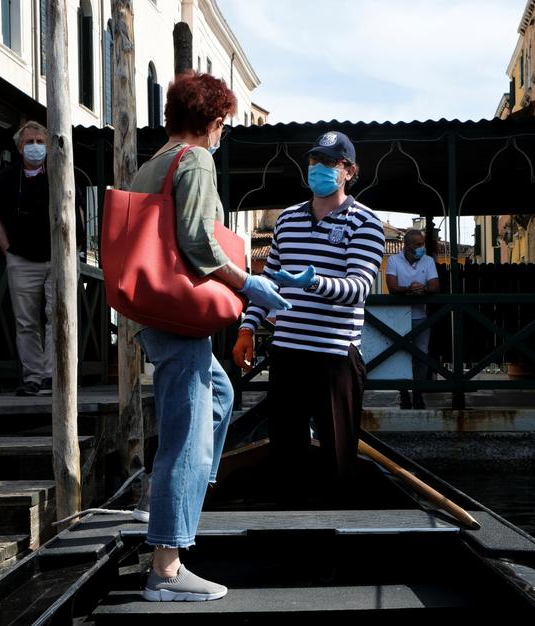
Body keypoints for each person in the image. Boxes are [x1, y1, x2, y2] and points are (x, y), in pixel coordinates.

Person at [129, 71, 289, 602]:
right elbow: (198, 241)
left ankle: (169, 502)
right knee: (188, 435)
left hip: (155, 314)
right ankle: (167, 568)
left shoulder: (150, 163)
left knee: (218, 397)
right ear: (216, 121)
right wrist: (251, 284)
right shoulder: (195, 159)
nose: (223, 134)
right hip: (181, 319)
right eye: (224, 124)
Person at [232, 130, 386, 507]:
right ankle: (291, 533)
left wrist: (312, 282)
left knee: (337, 459)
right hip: (287, 353)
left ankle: (339, 536)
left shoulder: (365, 222)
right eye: (315, 160)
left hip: (336, 356)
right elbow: (266, 284)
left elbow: (359, 287)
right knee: (286, 456)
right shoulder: (287, 221)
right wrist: (248, 327)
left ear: (348, 170)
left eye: (330, 162)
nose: (318, 168)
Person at [0, 121, 55, 397]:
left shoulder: (58, 173)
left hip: (57, 259)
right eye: (30, 142)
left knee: (58, 317)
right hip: (22, 260)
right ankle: (34, 377)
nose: (36, 147)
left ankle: (54, 376)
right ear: (19, 148)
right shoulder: (6, 177)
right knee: (26, 322)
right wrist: (8, 252)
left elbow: (75, 210)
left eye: (40, 142)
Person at [385, 228, 440, 409]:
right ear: (407, 246)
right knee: (401, 356)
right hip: (399, 317)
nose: (421, 247)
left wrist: (421, 288)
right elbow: (392, 286)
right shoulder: (393, 260)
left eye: (422, 244)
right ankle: (404, 394)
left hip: (421, 316)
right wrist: (409, 288)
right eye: (417, 245)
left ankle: (418, 393)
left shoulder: (428, 261)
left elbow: (435, 286)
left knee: (421, 356)